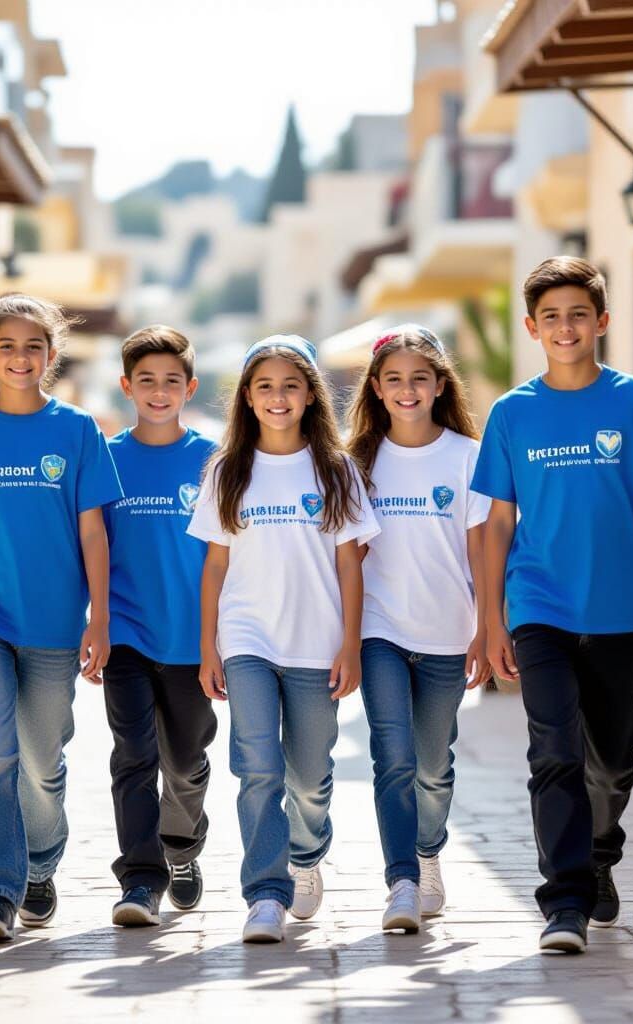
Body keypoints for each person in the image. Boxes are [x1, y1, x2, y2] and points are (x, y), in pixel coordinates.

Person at [472, 257, 633, 953]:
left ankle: (599, 854)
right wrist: (490, 618)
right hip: (539, 605)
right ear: (532, 328)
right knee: (555, 752)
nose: (565, 327)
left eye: (578, 314)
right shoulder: (512, 413)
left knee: (615, 753)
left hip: (622, 609)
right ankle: (563, 901)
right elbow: (499, 522)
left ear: (601, 321)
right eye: (551, 317)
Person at [0, 293, 122, 943]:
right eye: (6, 346)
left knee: (41, 759)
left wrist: (101, 619)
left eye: (34, 346)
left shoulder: (78, 430)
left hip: (57, 618)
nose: (21, 357)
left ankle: (40, 864)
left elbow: (94, 533)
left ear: (51, 354)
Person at [187, 335, 379, 943]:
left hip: (315, 643)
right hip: (246, 637)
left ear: (310, 396)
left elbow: (351, 564)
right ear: (246, 397)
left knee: (311, 773)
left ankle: (306, 850)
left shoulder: (336, 468)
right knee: (258, 767)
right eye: (265, 386)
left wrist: (350, 645)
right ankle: (264, 894)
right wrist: (208, 647)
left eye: (290, 385)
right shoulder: (226, 469)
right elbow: (215, 566)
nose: (278, 397)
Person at [347, 324, 492, 934]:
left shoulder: (467, 456)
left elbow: (482, 548)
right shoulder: (356, 461)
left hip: (447, 632)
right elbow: (343, 556)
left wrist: (488, 628)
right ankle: (402, 881)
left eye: (420, 378)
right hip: (380, 628)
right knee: (393, 757)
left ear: (439, 385)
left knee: (434, 763)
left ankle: (429, 855)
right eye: (395, 379)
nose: (407, 389)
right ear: (377, 389)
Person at [102, 325, 218, 927]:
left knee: (186, 758)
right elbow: (89, 548)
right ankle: (140, 880)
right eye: (145, 380)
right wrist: (92, 628)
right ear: (127, 386)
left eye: (171, 380)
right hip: (125, 634)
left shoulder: (211, 459)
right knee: (133, 756)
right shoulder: (108, 458)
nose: (158, 390)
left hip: (192, 641)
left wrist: (219, 640)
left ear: (189, 387)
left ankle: (183, 845)